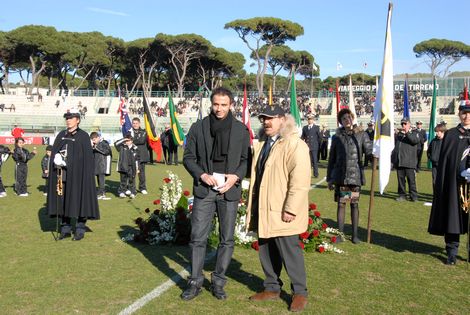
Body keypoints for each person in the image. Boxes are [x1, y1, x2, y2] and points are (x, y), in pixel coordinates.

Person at [182, 87, 250, 301]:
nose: (219, 109)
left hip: (229, 190)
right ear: (211, 104)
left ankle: (218, 282)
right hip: (205, 189)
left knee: (227, 239)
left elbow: (245, 160)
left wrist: (235, 177)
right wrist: (201, 175)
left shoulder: (241, 130)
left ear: (231, 105)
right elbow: (188, 157)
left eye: (224, 104)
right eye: (216, 104)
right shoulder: (198, 127)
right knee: (197, 238)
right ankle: (194, 282)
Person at [246, 104, 310, 312]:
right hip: (264, 208)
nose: (266, 121)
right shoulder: (264, 143)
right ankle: (272, 287)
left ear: (283, 119)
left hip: (283, 210)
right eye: (263, 118)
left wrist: (291, 208)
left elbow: (299, 180)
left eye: (271, 118)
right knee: (266, 249)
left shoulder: (294, 144)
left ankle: (300, 292)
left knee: (289, 251)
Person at [47, 109, 100, 241]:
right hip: (63, 175)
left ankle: (80, 228)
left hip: (78, 176)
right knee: (63, 200)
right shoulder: (61, 134)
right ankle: (65, 229)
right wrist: (56, 158)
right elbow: (55, 152)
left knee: (79, 199)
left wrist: (70, 162)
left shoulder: (83, 136)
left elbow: (86, 158)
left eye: (71, 118)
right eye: (67, 118)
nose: (68, 120)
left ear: (77, 120)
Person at [428, 101, 470, 265]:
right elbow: (446, 162)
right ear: (458, 113)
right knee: (453, 217)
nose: (466, 116)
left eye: (469, 112)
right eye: (463, 112)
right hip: (455, 186)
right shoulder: (451, 135)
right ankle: (452, 252)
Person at [327, 108, 372, 243]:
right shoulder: (336, 138)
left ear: (353, 118)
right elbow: (332, 159)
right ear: (341, 122)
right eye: (344, 118)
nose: (347, 120)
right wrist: (330, 178)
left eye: (349, 117)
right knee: (341, 205)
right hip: (341, 176)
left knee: (354, 204)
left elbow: (368, 151)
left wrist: (375, 154)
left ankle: (355, 235)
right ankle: (340, 235)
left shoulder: (361, 134)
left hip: (355, 176)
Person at [393, 117, 420, 202]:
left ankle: (414, 196)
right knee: (401, 181)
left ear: (409, 124)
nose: (403, 125)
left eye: (405, 124)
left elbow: (414, 140)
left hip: (410, 162)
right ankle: (402, 195)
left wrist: (407, 132)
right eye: (402, 124)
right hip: (400, 162)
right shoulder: (400, 135)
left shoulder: (415, 133)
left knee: (411, 181)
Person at [115, 133, 139, 199]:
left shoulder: (135, 148)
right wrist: (124, 139)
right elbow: (116, 144)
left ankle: (133, 192)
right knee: (123, 180)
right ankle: (122, 192)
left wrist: (137, 168)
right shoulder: (122, 147)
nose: (127, 142)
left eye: (128, 140)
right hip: (123, 166)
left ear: (132, 141)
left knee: (132, 180)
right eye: (126, 141)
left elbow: (137, 159)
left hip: (132, 167)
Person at [90, 132, 112, 200]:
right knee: (98, 178)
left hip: (102, 164)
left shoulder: (104, 143)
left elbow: (107, 152)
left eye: (94, 139)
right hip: (96, 164)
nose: (94, 141)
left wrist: (96, 148)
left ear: (98, 137)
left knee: (101, 179)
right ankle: (100, 192)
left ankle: (102, 193)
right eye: (92, 140)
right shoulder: (94, 145)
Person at [131, 118, 149, 194]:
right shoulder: (130, 132)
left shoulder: (144, 131)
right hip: (132, 155)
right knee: (132, 173)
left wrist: (132, 140)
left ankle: (142, 188)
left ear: (139, 123)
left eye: (136, 123)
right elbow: (127, 141)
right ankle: (132, 188)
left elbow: (142, 141)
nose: (135, 125)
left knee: (141, 172)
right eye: (134, 123)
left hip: (141, 155)